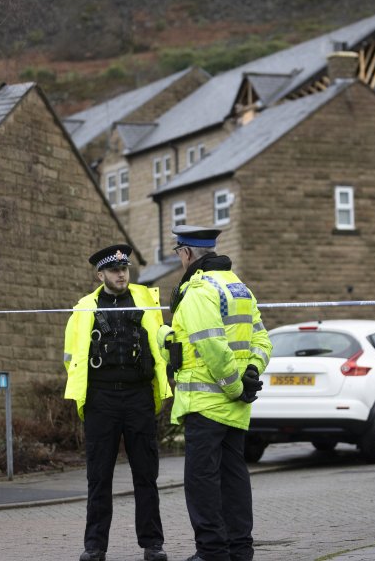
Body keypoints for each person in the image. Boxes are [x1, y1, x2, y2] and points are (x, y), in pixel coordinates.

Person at [165, 225, 272, 561]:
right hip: (236, 409)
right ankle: (240, 550)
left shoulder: (199, 291)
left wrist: (235, 387)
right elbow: (262, 341)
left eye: (178, 254)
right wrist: (252, 371)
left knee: (202, 484)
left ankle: (211, 552)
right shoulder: (239, 287)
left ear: (185, 253)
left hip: (208, 403)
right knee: (234, 479)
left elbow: (213, 347)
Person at [63, 244, 173, 561]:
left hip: (138, 395)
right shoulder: (84, 307)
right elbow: (70, 357)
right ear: (101, 274)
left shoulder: (145, 300)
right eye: (114, 270)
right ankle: (94, 547)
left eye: (124, 269)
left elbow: (161, 343)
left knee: (146, 475)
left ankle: (153, 545)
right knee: (99, 477)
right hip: (101, 399)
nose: (121, 274)